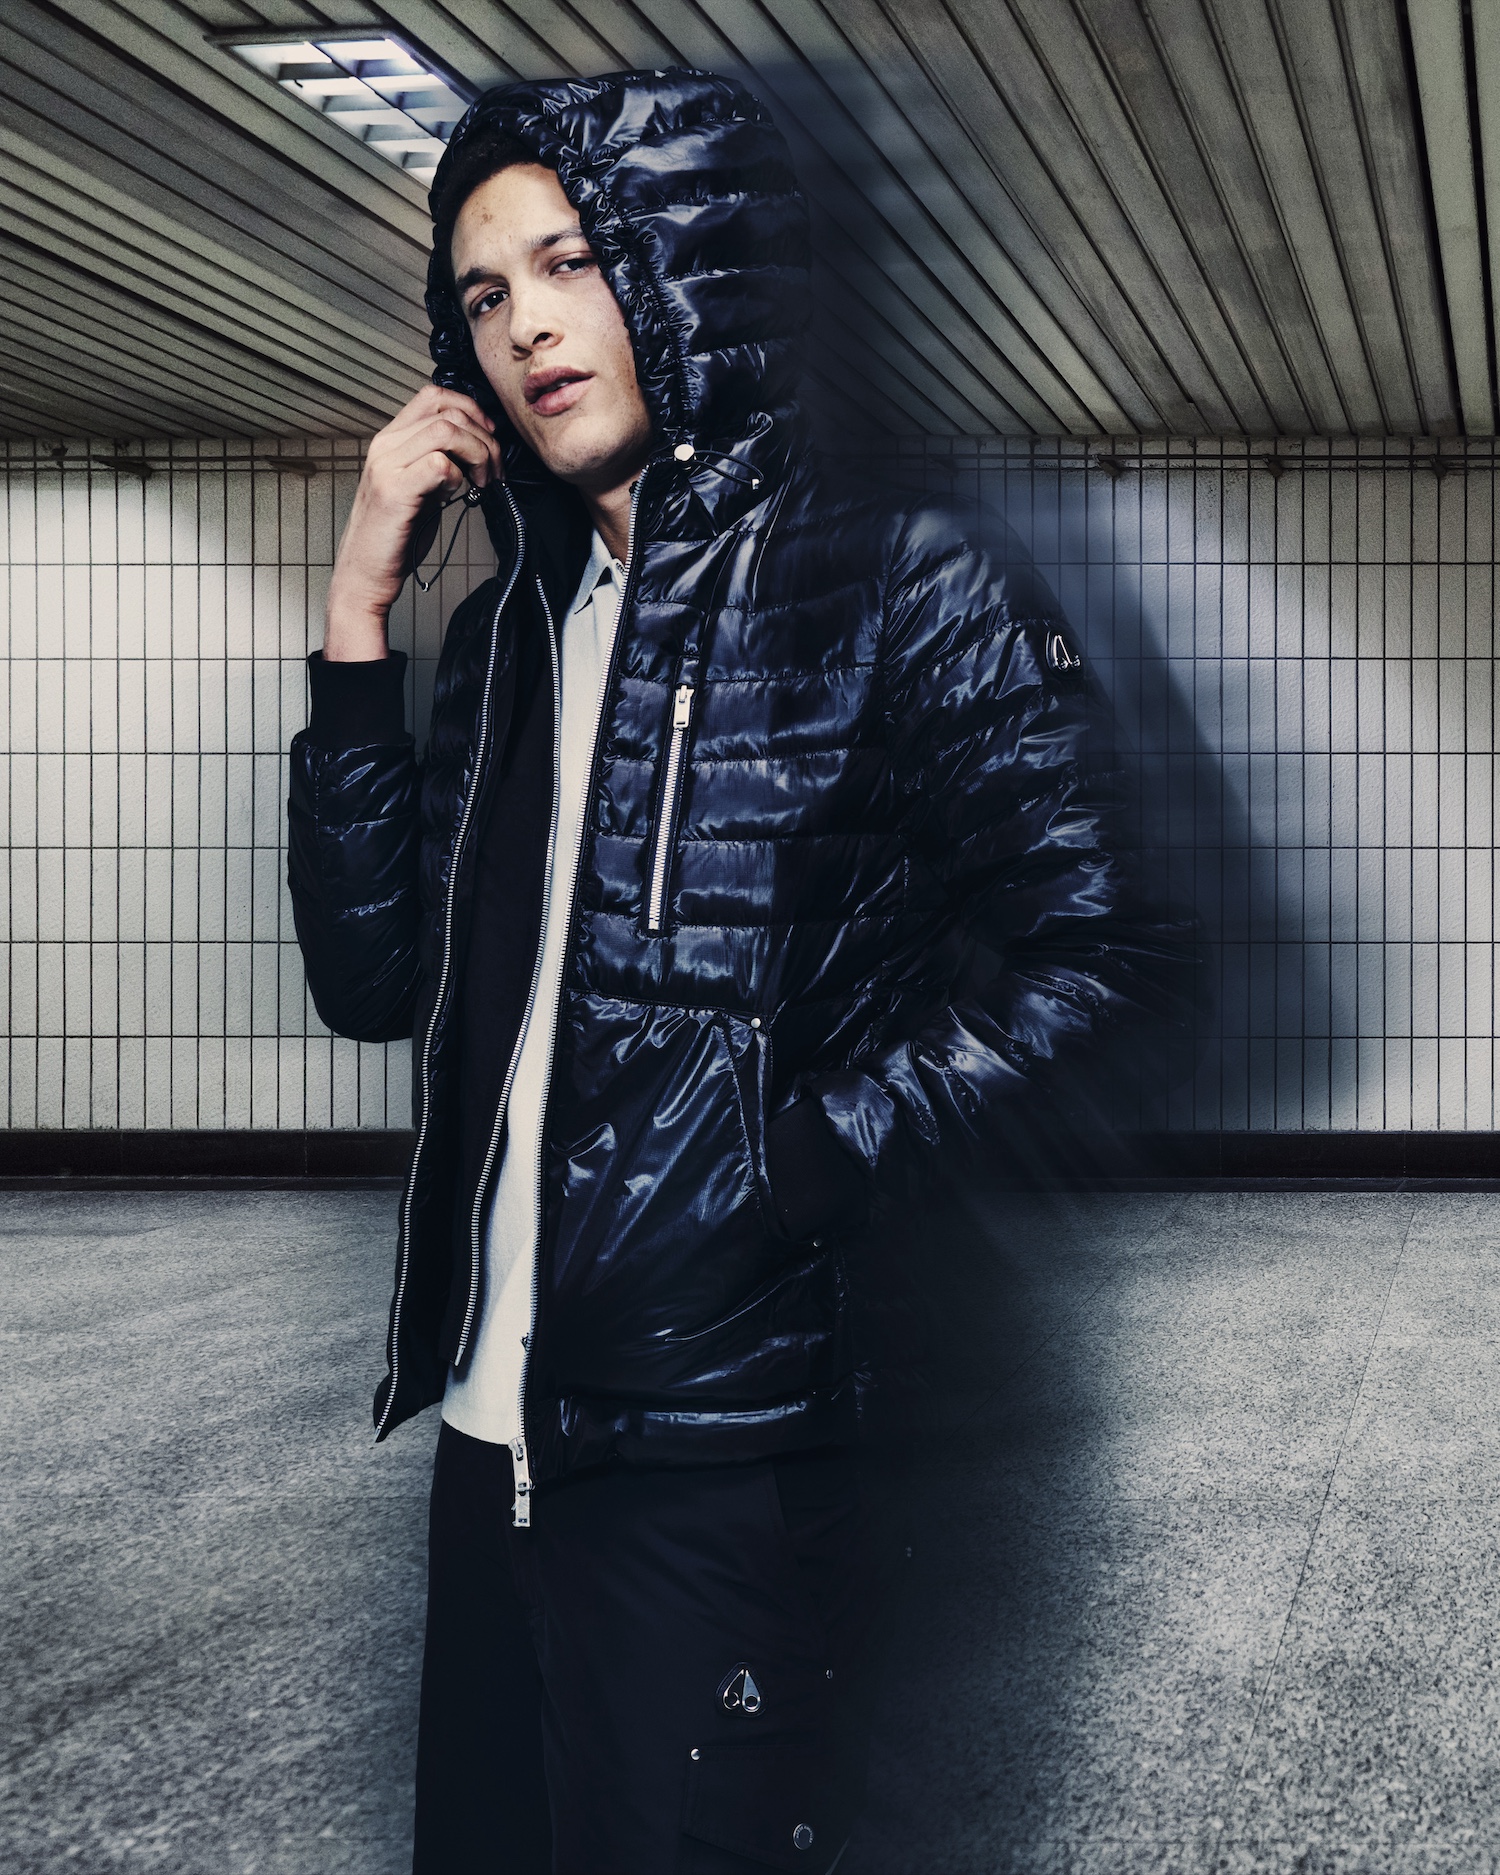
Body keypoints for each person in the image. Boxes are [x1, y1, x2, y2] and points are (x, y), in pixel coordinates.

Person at [287, 67, 1194, 1874]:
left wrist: (805, 1156)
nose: (529, 325)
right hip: (491, 1433)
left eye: (572, 263)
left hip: (721, 1452)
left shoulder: (897, 588)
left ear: (688, 269)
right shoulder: (515, 637)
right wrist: (359, 620)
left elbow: (1116, 956)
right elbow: (375, 981)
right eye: (485, 294)